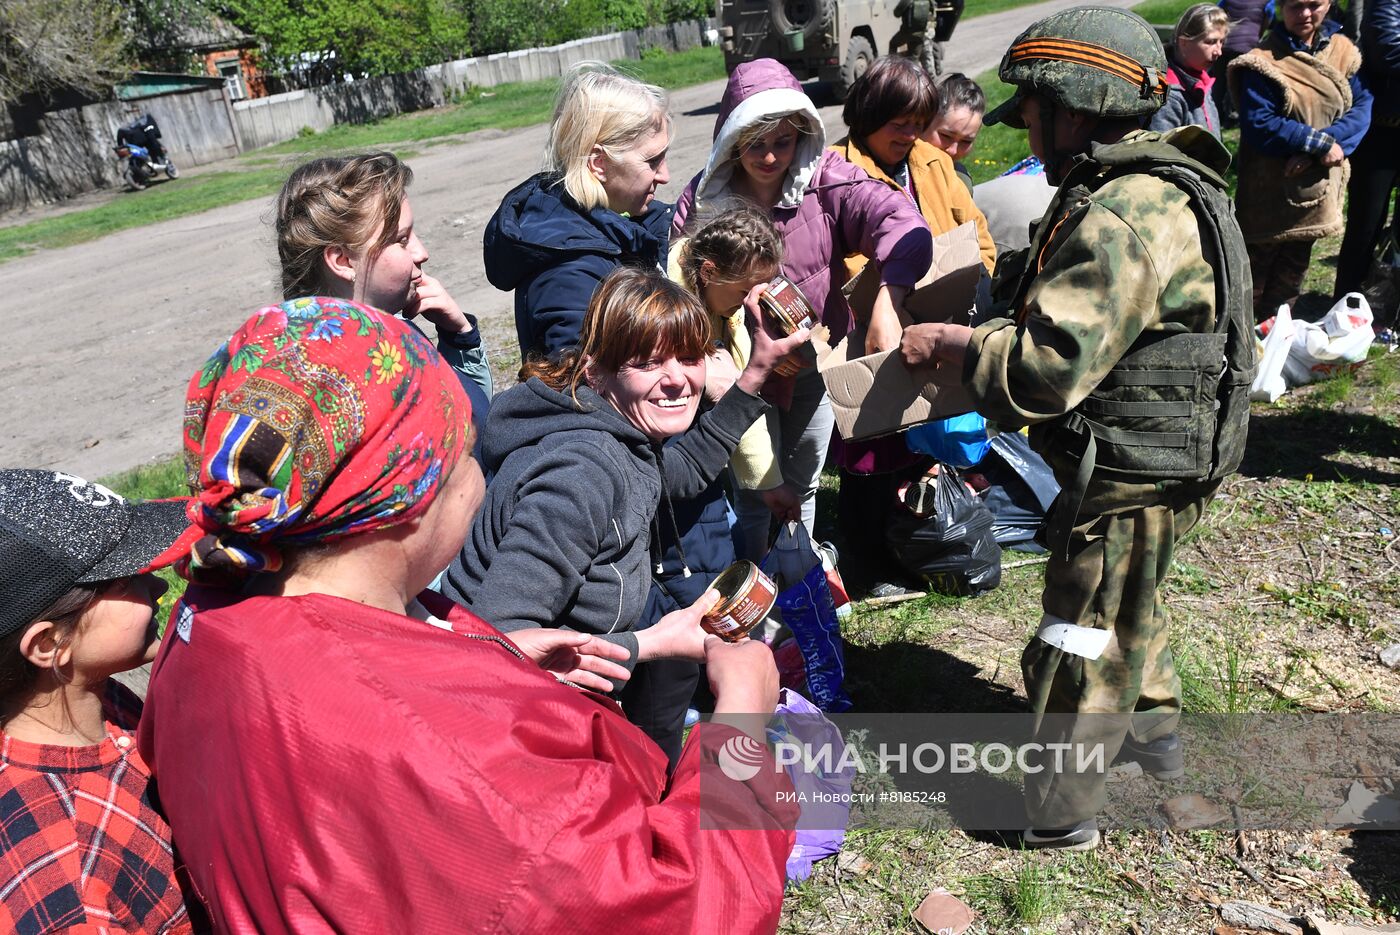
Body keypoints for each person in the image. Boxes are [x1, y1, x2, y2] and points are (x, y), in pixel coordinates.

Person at [139, 296, 798, 932]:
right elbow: (691, 909)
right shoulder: (461, 764)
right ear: (410, 500)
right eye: (463, 458)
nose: (483, 481)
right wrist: (740, 718)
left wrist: (488, 657)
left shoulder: (211, 612)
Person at [899, 6, 1255, 850]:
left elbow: (1044, 372)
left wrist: (961, 347)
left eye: (1030, 106)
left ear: (1077, 107)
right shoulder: (1162, 182)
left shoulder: (1119, 214)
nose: (1020, 121)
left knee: (1080, 629)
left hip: (1134, 465)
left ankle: (1061, 812)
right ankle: (1153, 740)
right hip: (1169, 458)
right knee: (1133, 600)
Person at [438, 267, 807, 691]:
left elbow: (677, 473)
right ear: (597, 372)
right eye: (647, 362)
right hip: (517, 704)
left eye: (689, 358)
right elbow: (499, 641)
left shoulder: (616, 429)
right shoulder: (581, 474)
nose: (677, 380)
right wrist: (648, 644)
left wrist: (755, 373)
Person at [673, 58, 933, 562]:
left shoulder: (828, 179)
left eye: (783, 142)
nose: (770, 157)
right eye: (755, 144)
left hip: (812, 361)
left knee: (803, 482)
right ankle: (753, 587)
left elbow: (896, 216)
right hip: (736, 369)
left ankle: (801, 577)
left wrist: (890, 294)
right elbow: (678, 281)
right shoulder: (705, 199)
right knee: (751, 488)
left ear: (802, 135)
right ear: (731, 141)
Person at [0, 469, 195, 934]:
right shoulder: (74, 888)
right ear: (48, 645)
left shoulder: (92, 699)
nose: (160, 586)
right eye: (125, 578)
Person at [828, 54, 995, 593]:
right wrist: (899, 297)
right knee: (875, 445)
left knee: (925, 446)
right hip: (873, 329)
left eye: (917, 123)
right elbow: (845, 262)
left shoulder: (931, 162)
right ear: (868, 114)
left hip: (939, 323)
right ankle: (866, 556)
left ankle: (914, 542)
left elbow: (975, 230)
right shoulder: (836, 171)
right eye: (899, 123)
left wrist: (971, 280)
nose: (911, 134)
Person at [274, 152, 493, 426]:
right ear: (342, 260)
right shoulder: (365, 377)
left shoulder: (392, 331)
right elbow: (475, 437)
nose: (422, 253)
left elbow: (478, 420)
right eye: (401, 240)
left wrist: (460, 337)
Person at [485, 62, 672, 357]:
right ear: (599, 163)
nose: (665, 175)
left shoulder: (631, 226)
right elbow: (579, 391)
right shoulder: (570, 274)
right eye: (652, 161)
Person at [1229, 0, 1373, 319]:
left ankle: (1277, 343)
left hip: (1313, 190)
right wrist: (1317, 144)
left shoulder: (1343, 51)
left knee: (1291, 277)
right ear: (1280, 6)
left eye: (1314, 5)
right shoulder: (1264, 60)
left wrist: (1315, 152)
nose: (1305, 15)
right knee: (1251, 282)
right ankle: (1240, 354)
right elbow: (1260, 124)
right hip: (1269, 193)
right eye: (1295, 6)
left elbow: (1361, 110)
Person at [1335, 0, 1400, 309]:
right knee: (1366, 224)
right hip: (1383, 132)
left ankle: (1390, 304)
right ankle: (1345, 307)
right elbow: (1388, 50)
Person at [1150, 4, 1230, 136]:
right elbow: (1163, 153)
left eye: (1221, 42)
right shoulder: (1169, 96)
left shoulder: (1202, 79)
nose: (1219, 51)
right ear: (1184, 43)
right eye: (1211, 42)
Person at [923, 72, 988, 191]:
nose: (952, 151)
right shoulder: (894, 175)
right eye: (946, 136)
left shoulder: (962, 180)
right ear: (923, 123)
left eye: (966, 141)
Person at [1214, 0, 1271, 125]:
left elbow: (1216, 11)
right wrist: (1258, 36)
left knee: (1218, 82)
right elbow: (1270, 16)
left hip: (1224, 44)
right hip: (1247, 45)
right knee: (1236, 81)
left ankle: (1216, 116)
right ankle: (1233, 116)